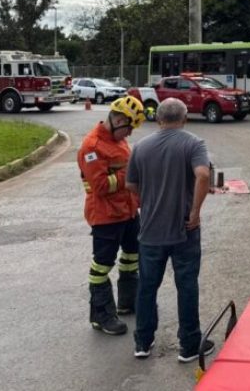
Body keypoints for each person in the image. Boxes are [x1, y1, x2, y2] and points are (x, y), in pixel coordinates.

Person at [126, 98, 213, 361]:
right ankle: (189, 345)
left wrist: (149, 199)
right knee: (186, 285)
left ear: (159, 119)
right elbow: (204, 175)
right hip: (184, 229)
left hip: (151, 230)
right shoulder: (193, 143)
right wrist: (195, 212)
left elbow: (130, 186)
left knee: (147, 287)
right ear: (184, 118)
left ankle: (142, 342)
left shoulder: (140, 147)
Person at [77, 96, 146, 336]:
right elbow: (101, 187)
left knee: (131, 256)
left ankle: (128, 301)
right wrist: (130, 174)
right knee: (102, 265)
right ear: (117, 120)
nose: (129, 134)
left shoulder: (120, 141)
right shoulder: (91, 147)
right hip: (106, 217)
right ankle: (101, 315)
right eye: (128, 127)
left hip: (127, 212)